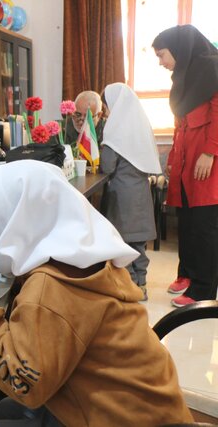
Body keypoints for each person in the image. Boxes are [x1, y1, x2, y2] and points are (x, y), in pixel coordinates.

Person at [0, 160, 192, 426]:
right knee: (6, 409)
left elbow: (25, 383)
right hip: (150, 410)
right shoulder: (83, 256)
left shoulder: (50, 287)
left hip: (119, 419)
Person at [153, 25, 218, 307]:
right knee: (188, 221)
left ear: (178, 49)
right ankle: (188, 274)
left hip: (206, 159)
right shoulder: (183, 75)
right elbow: (180, 121)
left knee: (204, 225)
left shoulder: (212, 68)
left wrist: (210, 152)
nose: (161, 61)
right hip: (185, 158)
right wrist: (172, 158)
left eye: (162, 54)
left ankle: (204, 289)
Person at [99, 82, 162, 301]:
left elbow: (107, 166)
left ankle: (132, 286)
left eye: (106, 106)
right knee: (138, 244)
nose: (106, 111)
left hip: (122, 196)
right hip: (141, 194)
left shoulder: (116, 131)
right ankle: (141, 283)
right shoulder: (139, 126)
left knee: (124, 244)